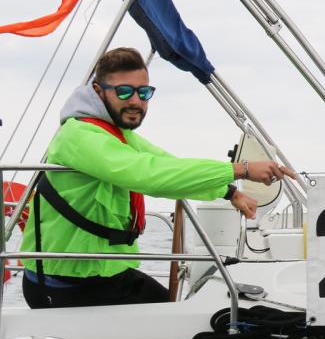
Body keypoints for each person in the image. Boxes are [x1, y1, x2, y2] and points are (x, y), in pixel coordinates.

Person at [20, 47, 296, 308]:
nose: (135, 101)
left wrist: (228, 192)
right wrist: (241, 169)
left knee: (178, 314)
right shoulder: (79, 136)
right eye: (124, 91)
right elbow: (149, 174)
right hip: (63, 282)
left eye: (144, 92)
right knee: (181, 323)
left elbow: (169, 166)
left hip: (105, 273)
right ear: (97, 91)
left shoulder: (116, 134)